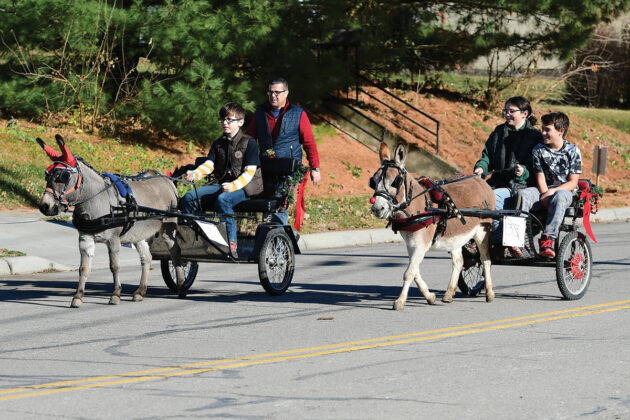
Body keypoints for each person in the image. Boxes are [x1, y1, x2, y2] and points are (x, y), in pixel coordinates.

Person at [179, 102, 263, 258]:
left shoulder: (249, 143)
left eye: (230, 120)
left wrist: (234, 186)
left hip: (246, 186)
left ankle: (230, 244)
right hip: (222, 184)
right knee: (189, 198)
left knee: (223, 200)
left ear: (240, 122)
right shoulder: (218, 143)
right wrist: (195, 174)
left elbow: (249, 172)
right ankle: (195, 238)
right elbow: (209, 165)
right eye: (223, 120)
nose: (225, 123)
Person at [246, 77, 320, 225]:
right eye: (271, 92)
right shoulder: (260, 113)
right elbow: (249, 139)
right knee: (266, 207)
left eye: (277, 92)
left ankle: (279, 243)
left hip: (289, 169)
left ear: (286, 93)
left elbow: (309, 142)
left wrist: (315, 167)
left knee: (280, 205)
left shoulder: (298, 113)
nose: (273, 96)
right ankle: (274, 238)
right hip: (265, 167)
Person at [473, 96, 543, 250]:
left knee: (493, 198)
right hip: (497, 182)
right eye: (506, 111)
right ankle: (477, 238)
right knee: (474, 197)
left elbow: (539, 167)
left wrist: (524, 172)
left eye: (512, 111)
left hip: (520, 187)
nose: (507, 114)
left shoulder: (535, 137)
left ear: (525, 113)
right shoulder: (498, 132)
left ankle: (496, 242)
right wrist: (481, 168)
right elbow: (486, 156)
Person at [516, 112, 582, 258]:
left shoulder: (573, 151)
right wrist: (545, 194)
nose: (543, 133)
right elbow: (540, 178)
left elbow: (572, 183)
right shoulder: (538, 150)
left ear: (561, 131)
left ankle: (548, 239)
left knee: (560, 196)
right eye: (542, 129)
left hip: (564, 192)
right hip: (543, 190)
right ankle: (519, 239)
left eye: (547, 130)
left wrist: (551, 193)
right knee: (524, 194)